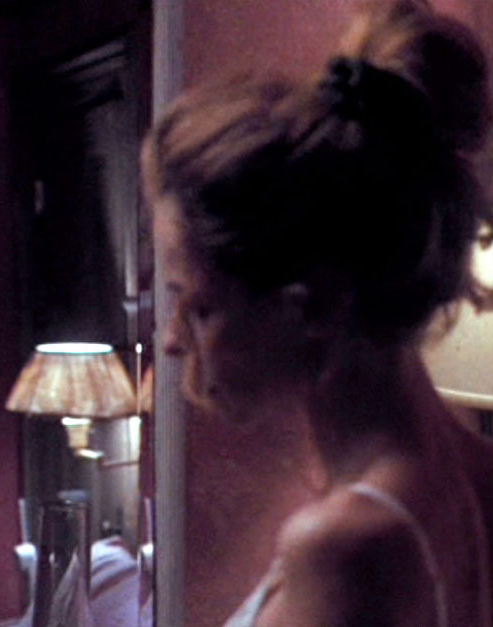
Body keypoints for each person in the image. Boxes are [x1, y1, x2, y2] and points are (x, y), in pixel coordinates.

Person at [143, 1, 493, 625]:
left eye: (198, 306)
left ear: (311, 308)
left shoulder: (344, 549)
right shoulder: (474, 474)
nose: (172, 340)